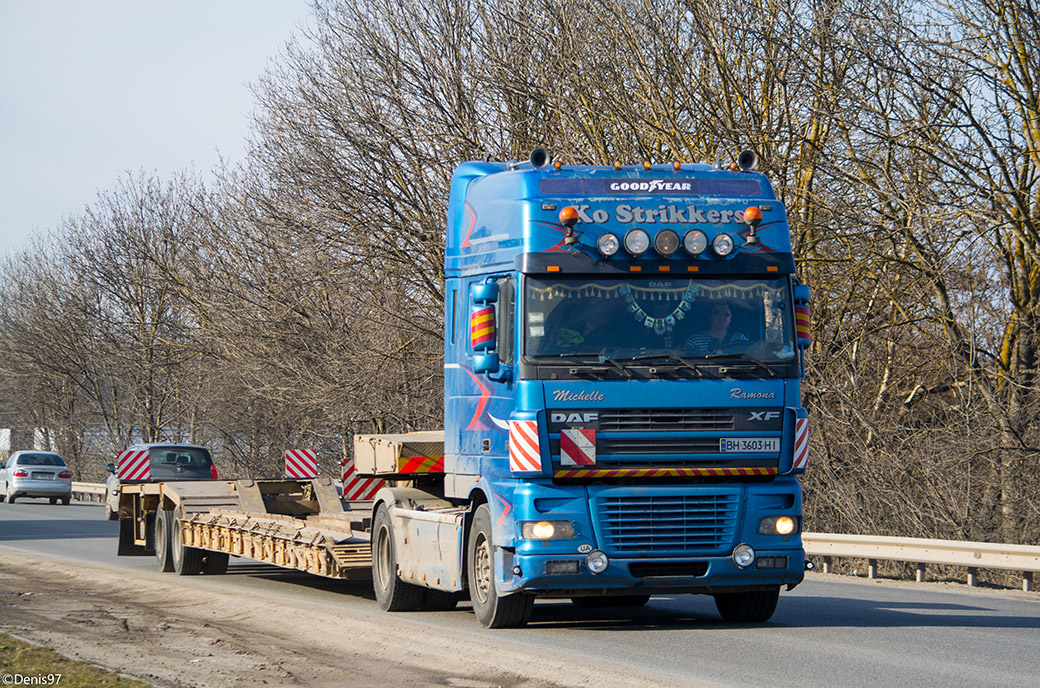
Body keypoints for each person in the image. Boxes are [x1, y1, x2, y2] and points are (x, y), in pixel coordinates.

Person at [684, 301, 748, 354]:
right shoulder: (695, 340)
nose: (722, 317)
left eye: (726, 314)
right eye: (717, 313)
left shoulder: (740, 339)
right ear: (709, 316)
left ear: (730, 318)